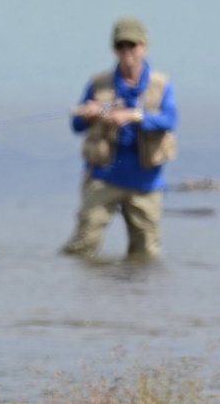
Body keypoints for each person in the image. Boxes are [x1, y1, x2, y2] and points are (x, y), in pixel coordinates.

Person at [62, 17, 178, 260]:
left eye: (132, 45)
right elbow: (77, 125)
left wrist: (135, 116)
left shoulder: (161, 85)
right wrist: (89, 115)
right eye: (120, 46)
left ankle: (135, 285)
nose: (127, 52)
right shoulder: (98, 84)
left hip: (146, 182)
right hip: (104, 177)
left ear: (144, 46)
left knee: (146, 254)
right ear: (114, 49)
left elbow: (169, 120)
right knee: (83, 245)